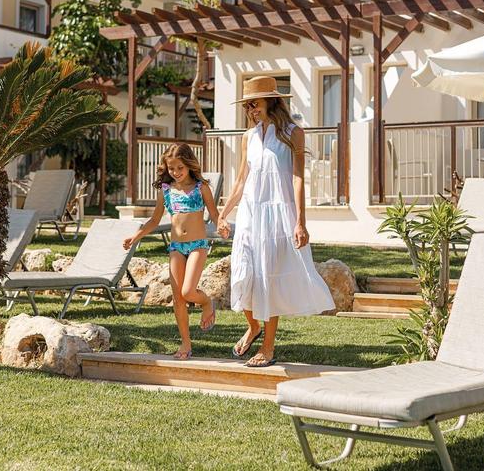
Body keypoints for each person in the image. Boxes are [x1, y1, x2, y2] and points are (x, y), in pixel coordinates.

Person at [218, 76, 335, 368]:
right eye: (247, 105)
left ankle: (267, 348)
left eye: (254, 104)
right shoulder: (248, 136)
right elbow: (241, 179)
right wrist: (223, 213)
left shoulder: (293, 133)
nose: (251, 110)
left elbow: (297, 179)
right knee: (243, 272)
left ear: (271, 101)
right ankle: (253, 326)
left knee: (268, 277)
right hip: (250, 214)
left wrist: (300, 222)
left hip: (277, 216)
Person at [123, 143, 220, 360]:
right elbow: (154, 220)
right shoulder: (166, 190)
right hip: (176, 247)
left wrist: (221, 224)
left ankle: (206, 302)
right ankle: (185, 342)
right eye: (171, 168)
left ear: (189, 165)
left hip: (197, 245)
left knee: (188, 292)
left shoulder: (201, 187)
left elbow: (214, 214)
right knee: (178, 298)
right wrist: (135, 237)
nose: (175, 172)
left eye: (180, 168)